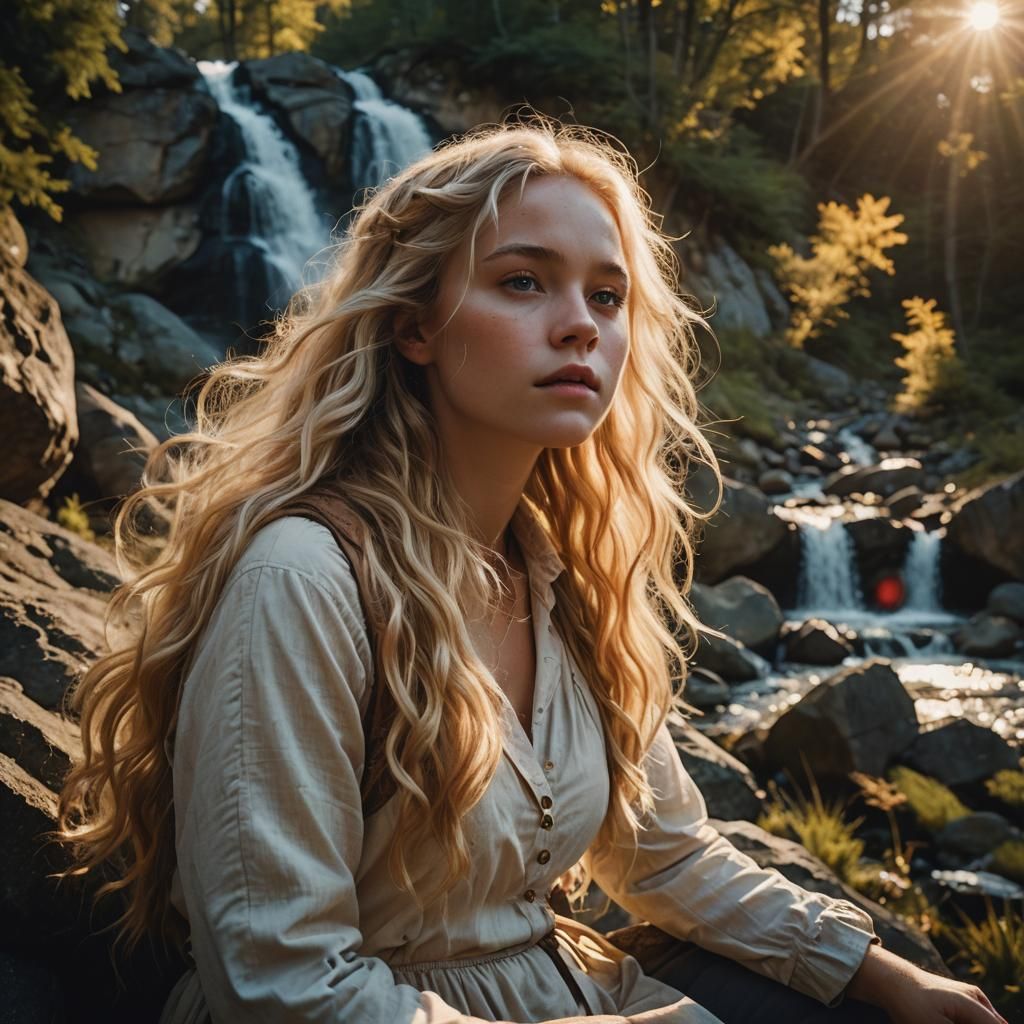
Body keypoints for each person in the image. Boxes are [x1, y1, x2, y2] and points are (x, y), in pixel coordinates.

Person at [55, 118, 1007, 1024]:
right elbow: (281, 983)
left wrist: (885, 972)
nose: (580, 327)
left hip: (564, 989)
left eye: (606, 295)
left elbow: (664, 857)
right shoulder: (305, 577)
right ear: (412, 326)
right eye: (523, 283)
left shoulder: (563, 573)